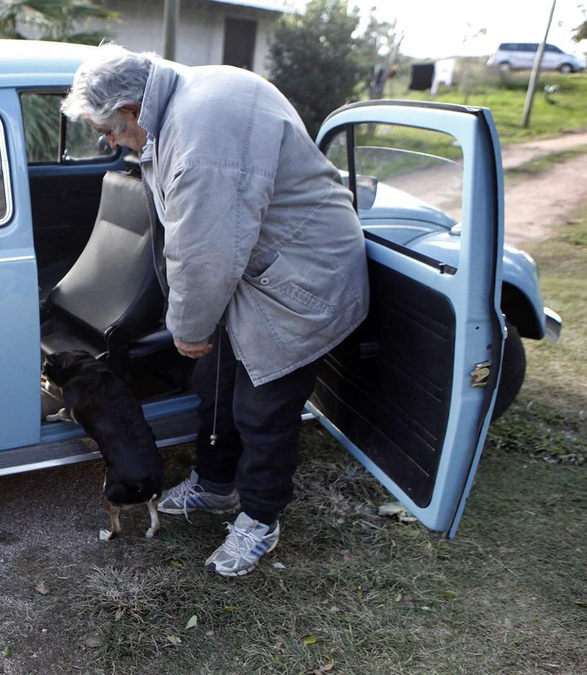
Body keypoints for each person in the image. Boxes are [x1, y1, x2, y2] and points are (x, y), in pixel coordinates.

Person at [63, 45, 369, 577]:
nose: (108, 143)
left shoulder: (203, 138)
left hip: (297, 283)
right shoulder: (181, 103)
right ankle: (215, 484)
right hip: (253, 273)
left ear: (132, 110)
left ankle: (260, 518)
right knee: (214, 383)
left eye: (107, 130)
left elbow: (205, 253)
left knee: (263, 408)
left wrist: (188, 327)